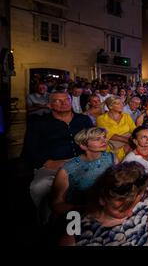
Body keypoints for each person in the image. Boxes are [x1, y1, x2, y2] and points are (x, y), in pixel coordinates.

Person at [24, 90, 93, 224]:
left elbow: (92, 140)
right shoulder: (39, 123)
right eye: (57, 101)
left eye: (66, 100)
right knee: (39, 187)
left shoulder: (83, 120)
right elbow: (30, 149)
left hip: (83, 163)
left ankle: (88, 221)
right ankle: (47, 222)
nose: (63, 103)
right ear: (49, 105)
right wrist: (47, 162)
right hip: (53, 166)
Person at [60, 162, 148, 246]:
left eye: (134, 206)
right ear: (102, 199)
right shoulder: (75, 219)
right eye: (120, 209)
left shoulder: (147, 195)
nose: (130, 214)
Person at [51, 128, 115, 218]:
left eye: (104, 137)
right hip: (78, 215)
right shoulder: (68, 169)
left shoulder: (111, 158)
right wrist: (84, 209)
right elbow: (57, 204)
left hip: (109, 211)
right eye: (97, 139)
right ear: (83, 146)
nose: (104, 140)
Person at [96, 96, 136, 161]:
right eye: (118, 103)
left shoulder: (126, 116)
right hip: (112, 150)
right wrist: (130, 141)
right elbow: (110, 135)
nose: (122, 105)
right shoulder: (101, 119)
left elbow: (134, 130)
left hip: (128, 148)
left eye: (122, 103)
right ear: (110, 106)